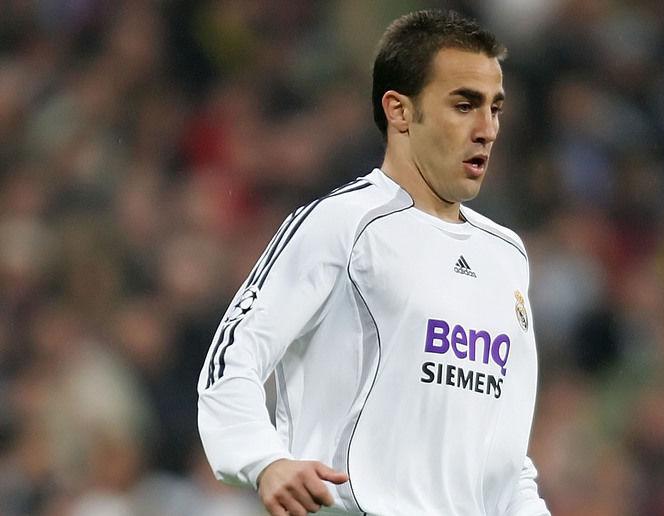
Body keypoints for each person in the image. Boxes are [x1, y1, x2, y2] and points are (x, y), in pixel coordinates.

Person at [198, 9, 550, 516]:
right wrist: (264, 460)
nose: (487, 129)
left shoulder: (506, 255)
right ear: (400, 111)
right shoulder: (343, 224)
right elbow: (233, 358)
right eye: (464, 105)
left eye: (495, 108)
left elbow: (503, 453)